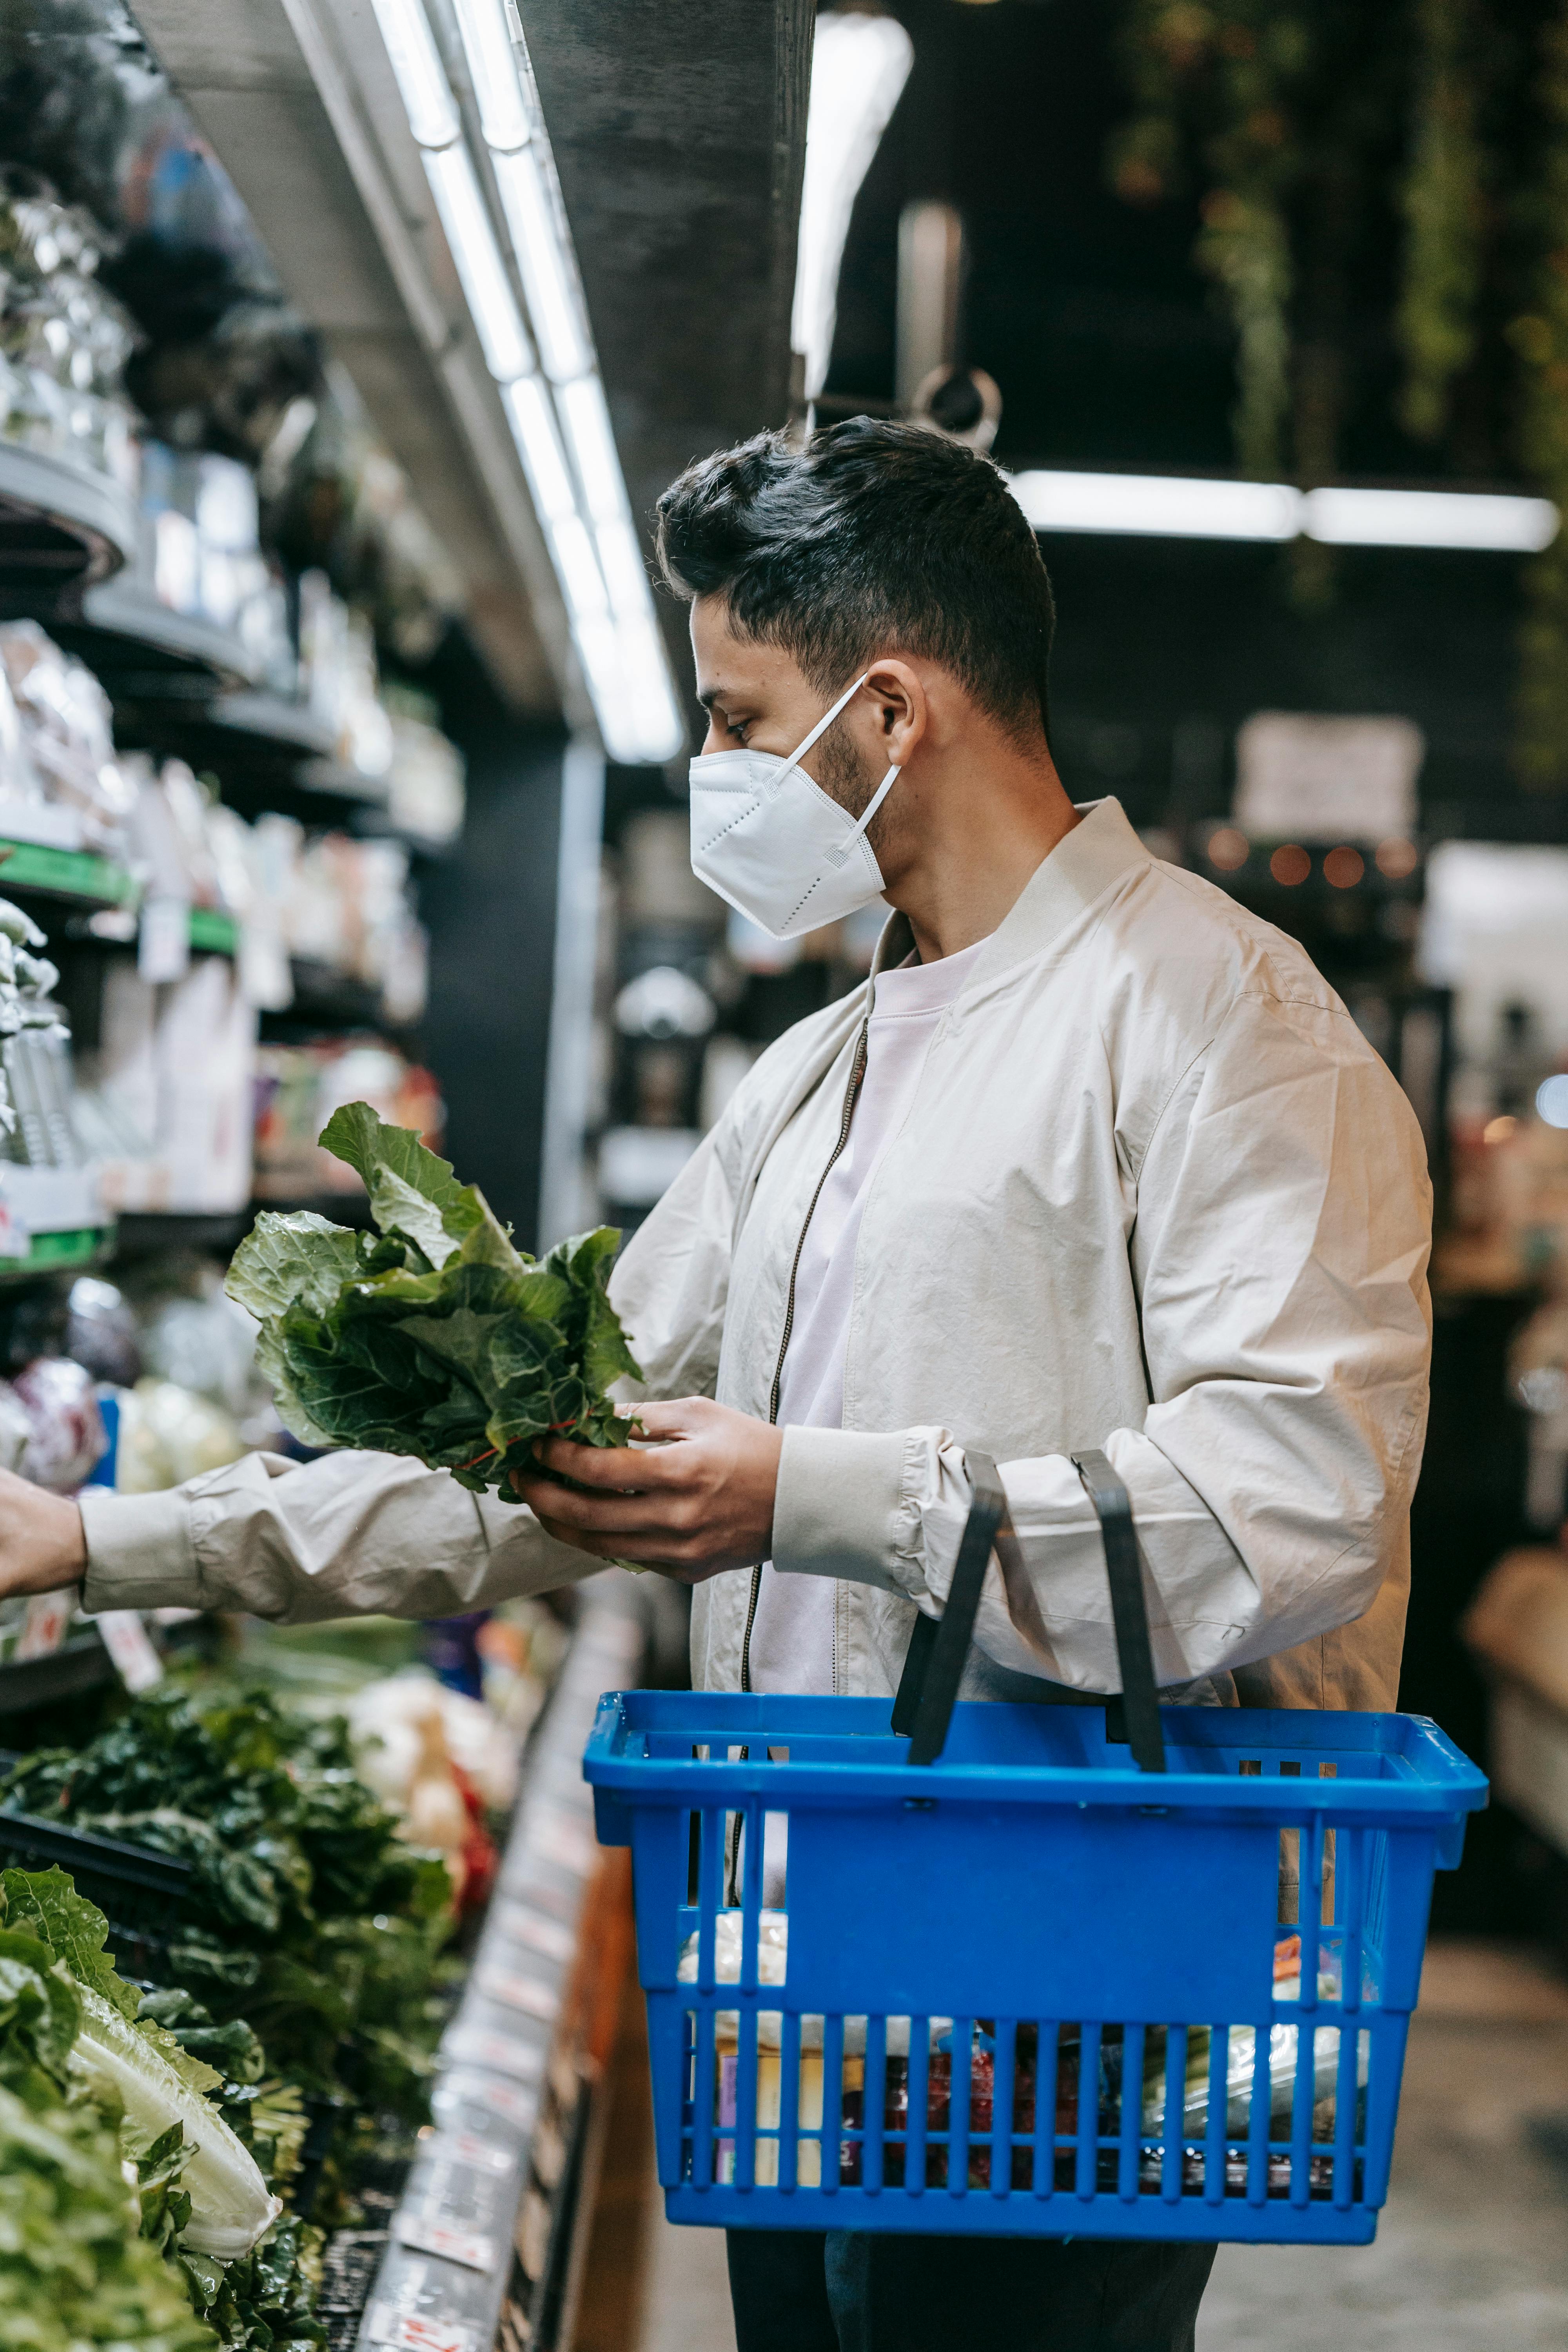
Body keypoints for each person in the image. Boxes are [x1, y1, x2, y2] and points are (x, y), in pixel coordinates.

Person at [0, 420, 1432, 2352]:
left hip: (1071, 2006)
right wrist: (100, 1534)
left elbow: (1292, 1504)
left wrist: (811, 1496)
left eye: (738, 717)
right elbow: (541, 1462)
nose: (719, 778)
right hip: (812, 1984)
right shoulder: (818, 1075)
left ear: (889, 709)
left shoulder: (1224, 1030)